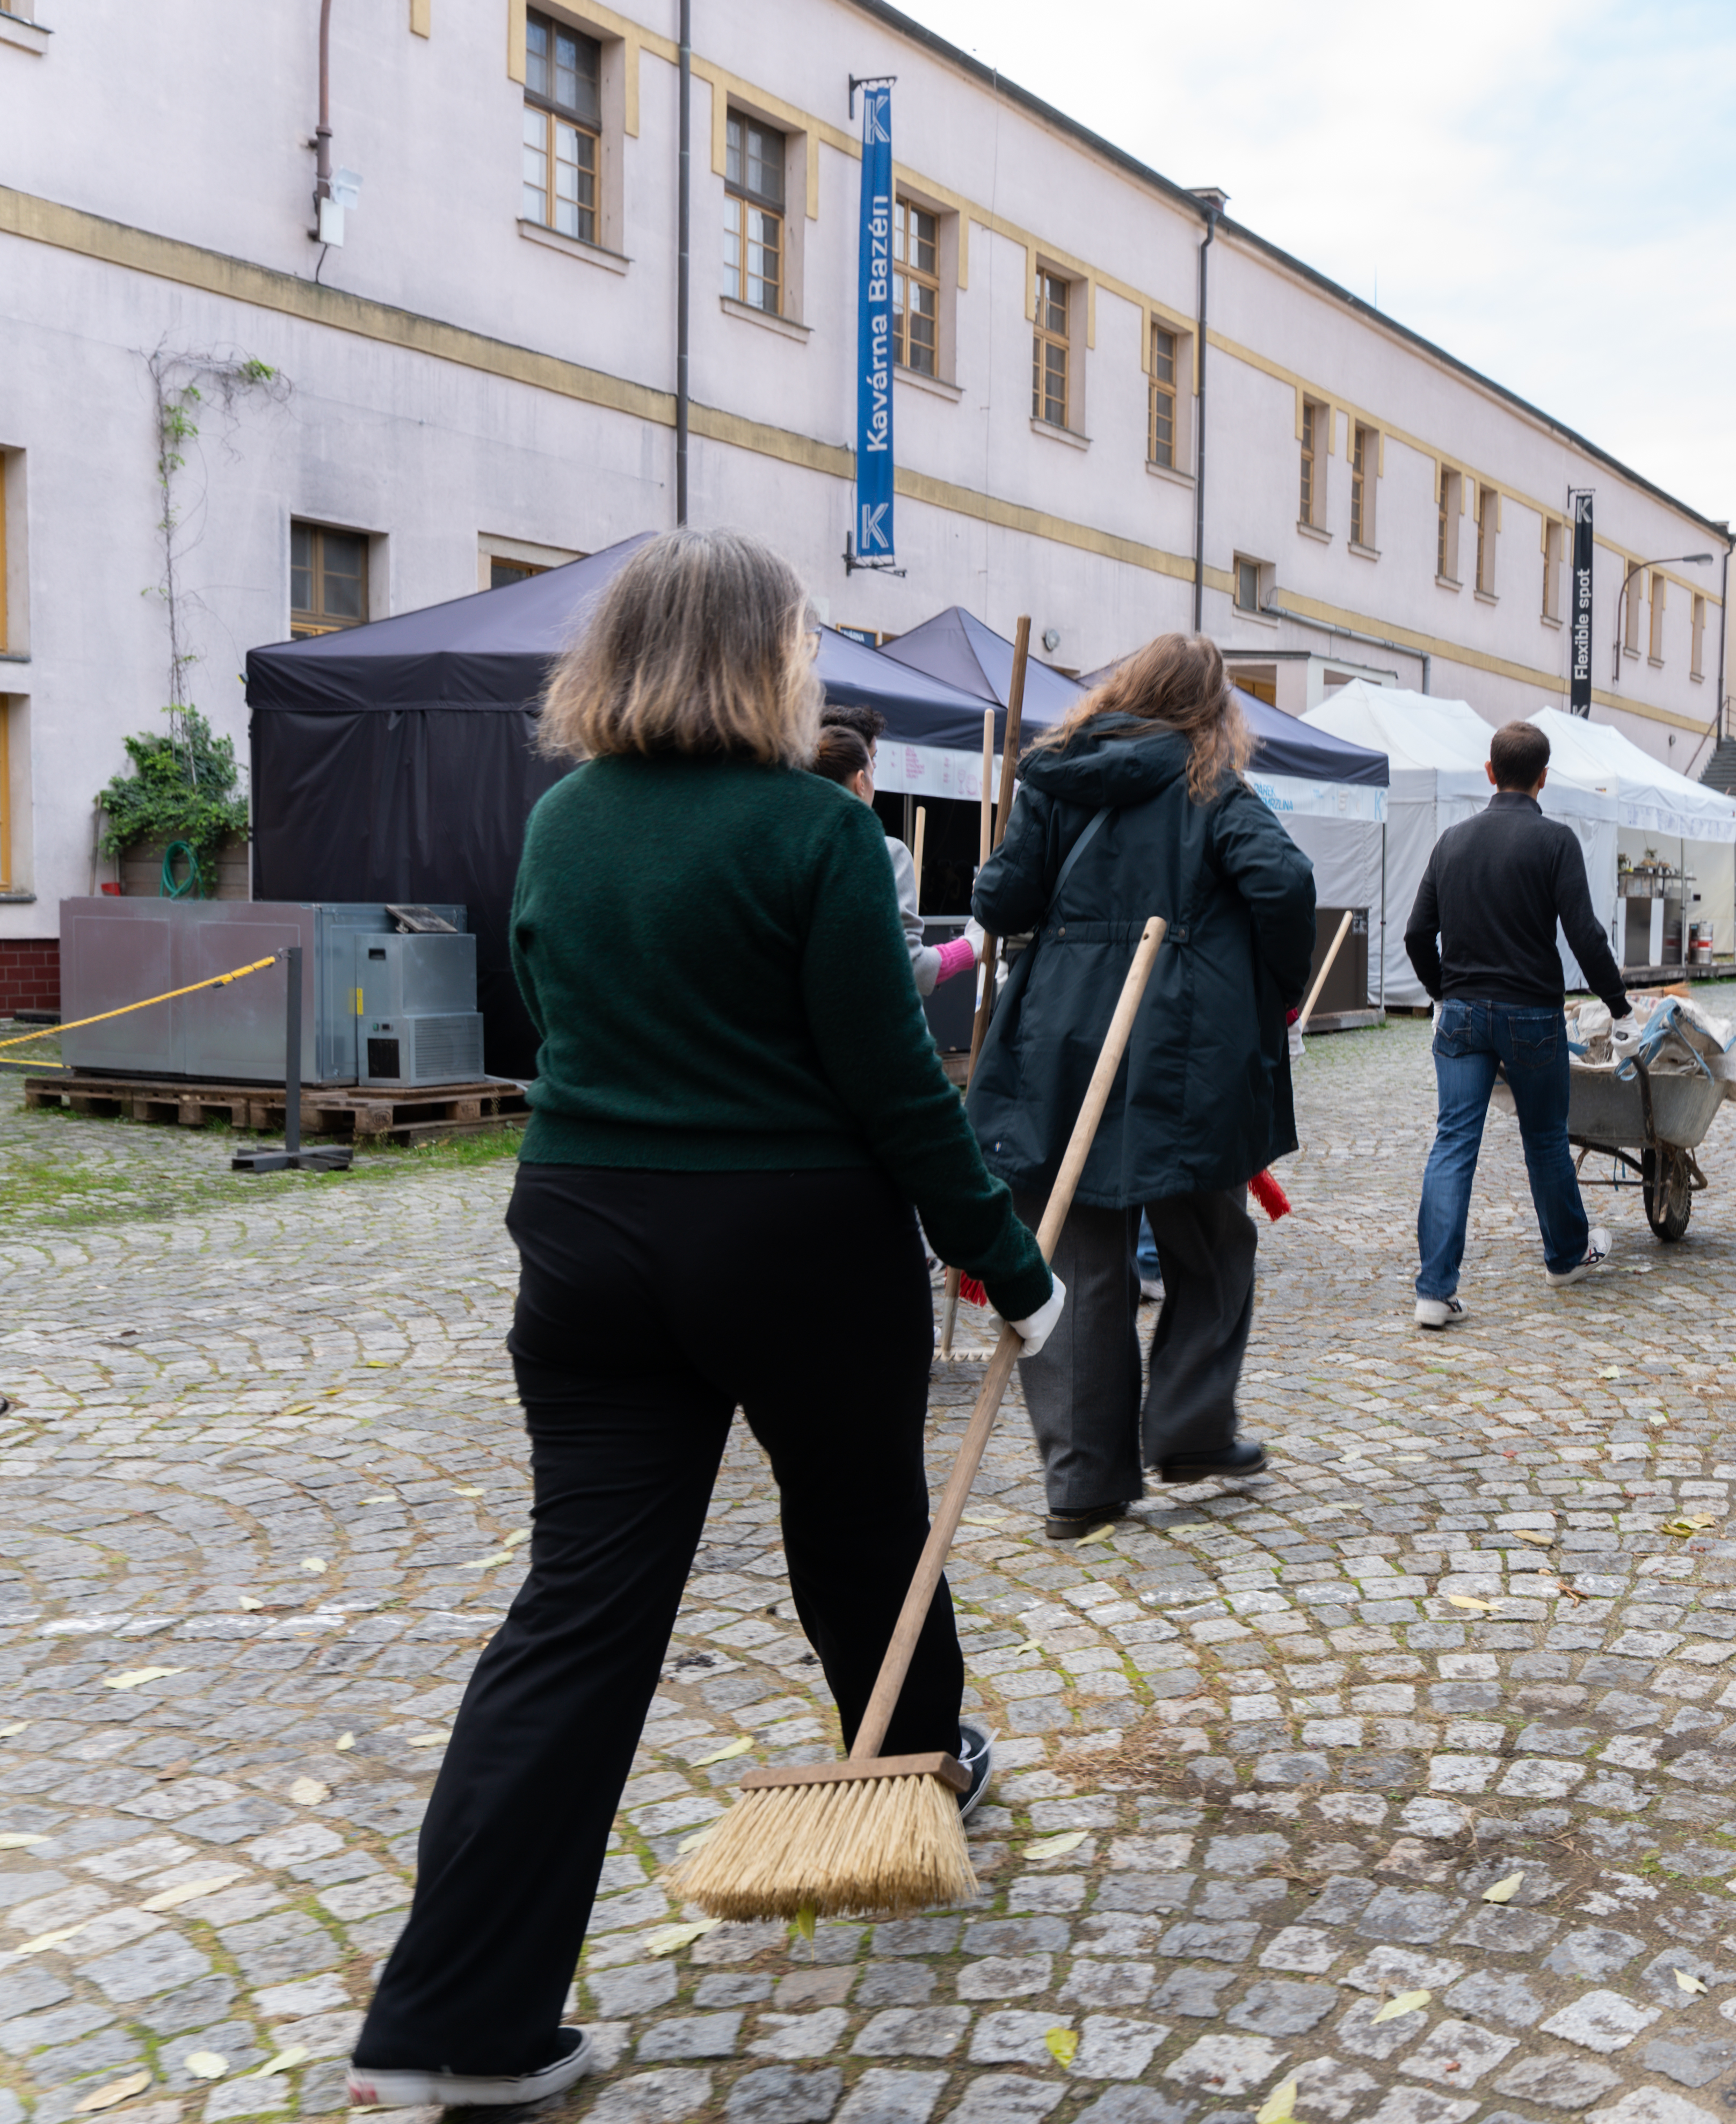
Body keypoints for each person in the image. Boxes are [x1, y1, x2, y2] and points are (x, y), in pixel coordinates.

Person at [344, 532, 1064, 2115]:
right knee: (864, 1520)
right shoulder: (811, 830)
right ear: (767, 661)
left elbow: (552, 1007)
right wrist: (1007, 1262)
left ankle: (454, 2017)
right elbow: (894, 1087)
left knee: (579, 1609)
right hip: (791, 1245)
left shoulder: (563, 821)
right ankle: (917, 1756)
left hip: (588, 1241)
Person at [965, 631, 1315, 1539]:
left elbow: (1003, 904)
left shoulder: (1054, 774)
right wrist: (1269, 989)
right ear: (1211, 706)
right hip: (1187, 1052)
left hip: (1058, 1040)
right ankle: (1192, 1430)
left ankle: (1084, 1485)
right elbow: (1282, 881)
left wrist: (1004, 865)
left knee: (1075, 1263)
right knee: (1209, 1243)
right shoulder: (1209, 781)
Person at [1404, 719, 1631, 1328]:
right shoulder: (1555, 842)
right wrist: (1619, 1003)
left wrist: (1443, 990)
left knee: (1453, 1141)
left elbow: (1416, 933)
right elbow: (1584, 934)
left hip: (1461, 1015)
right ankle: (1564, 1255)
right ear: (1544, 779)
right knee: (1546, 1139)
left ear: (1489, 773)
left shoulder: (1450, 840)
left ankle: (1434, 1290)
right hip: (1532, 1014)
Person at [810, 704, 978, 999]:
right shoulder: (885, 854)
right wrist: (971, 947)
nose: (876, 770)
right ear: (860, 779)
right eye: (872, 760)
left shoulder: (780, 850)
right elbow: (909, 967)